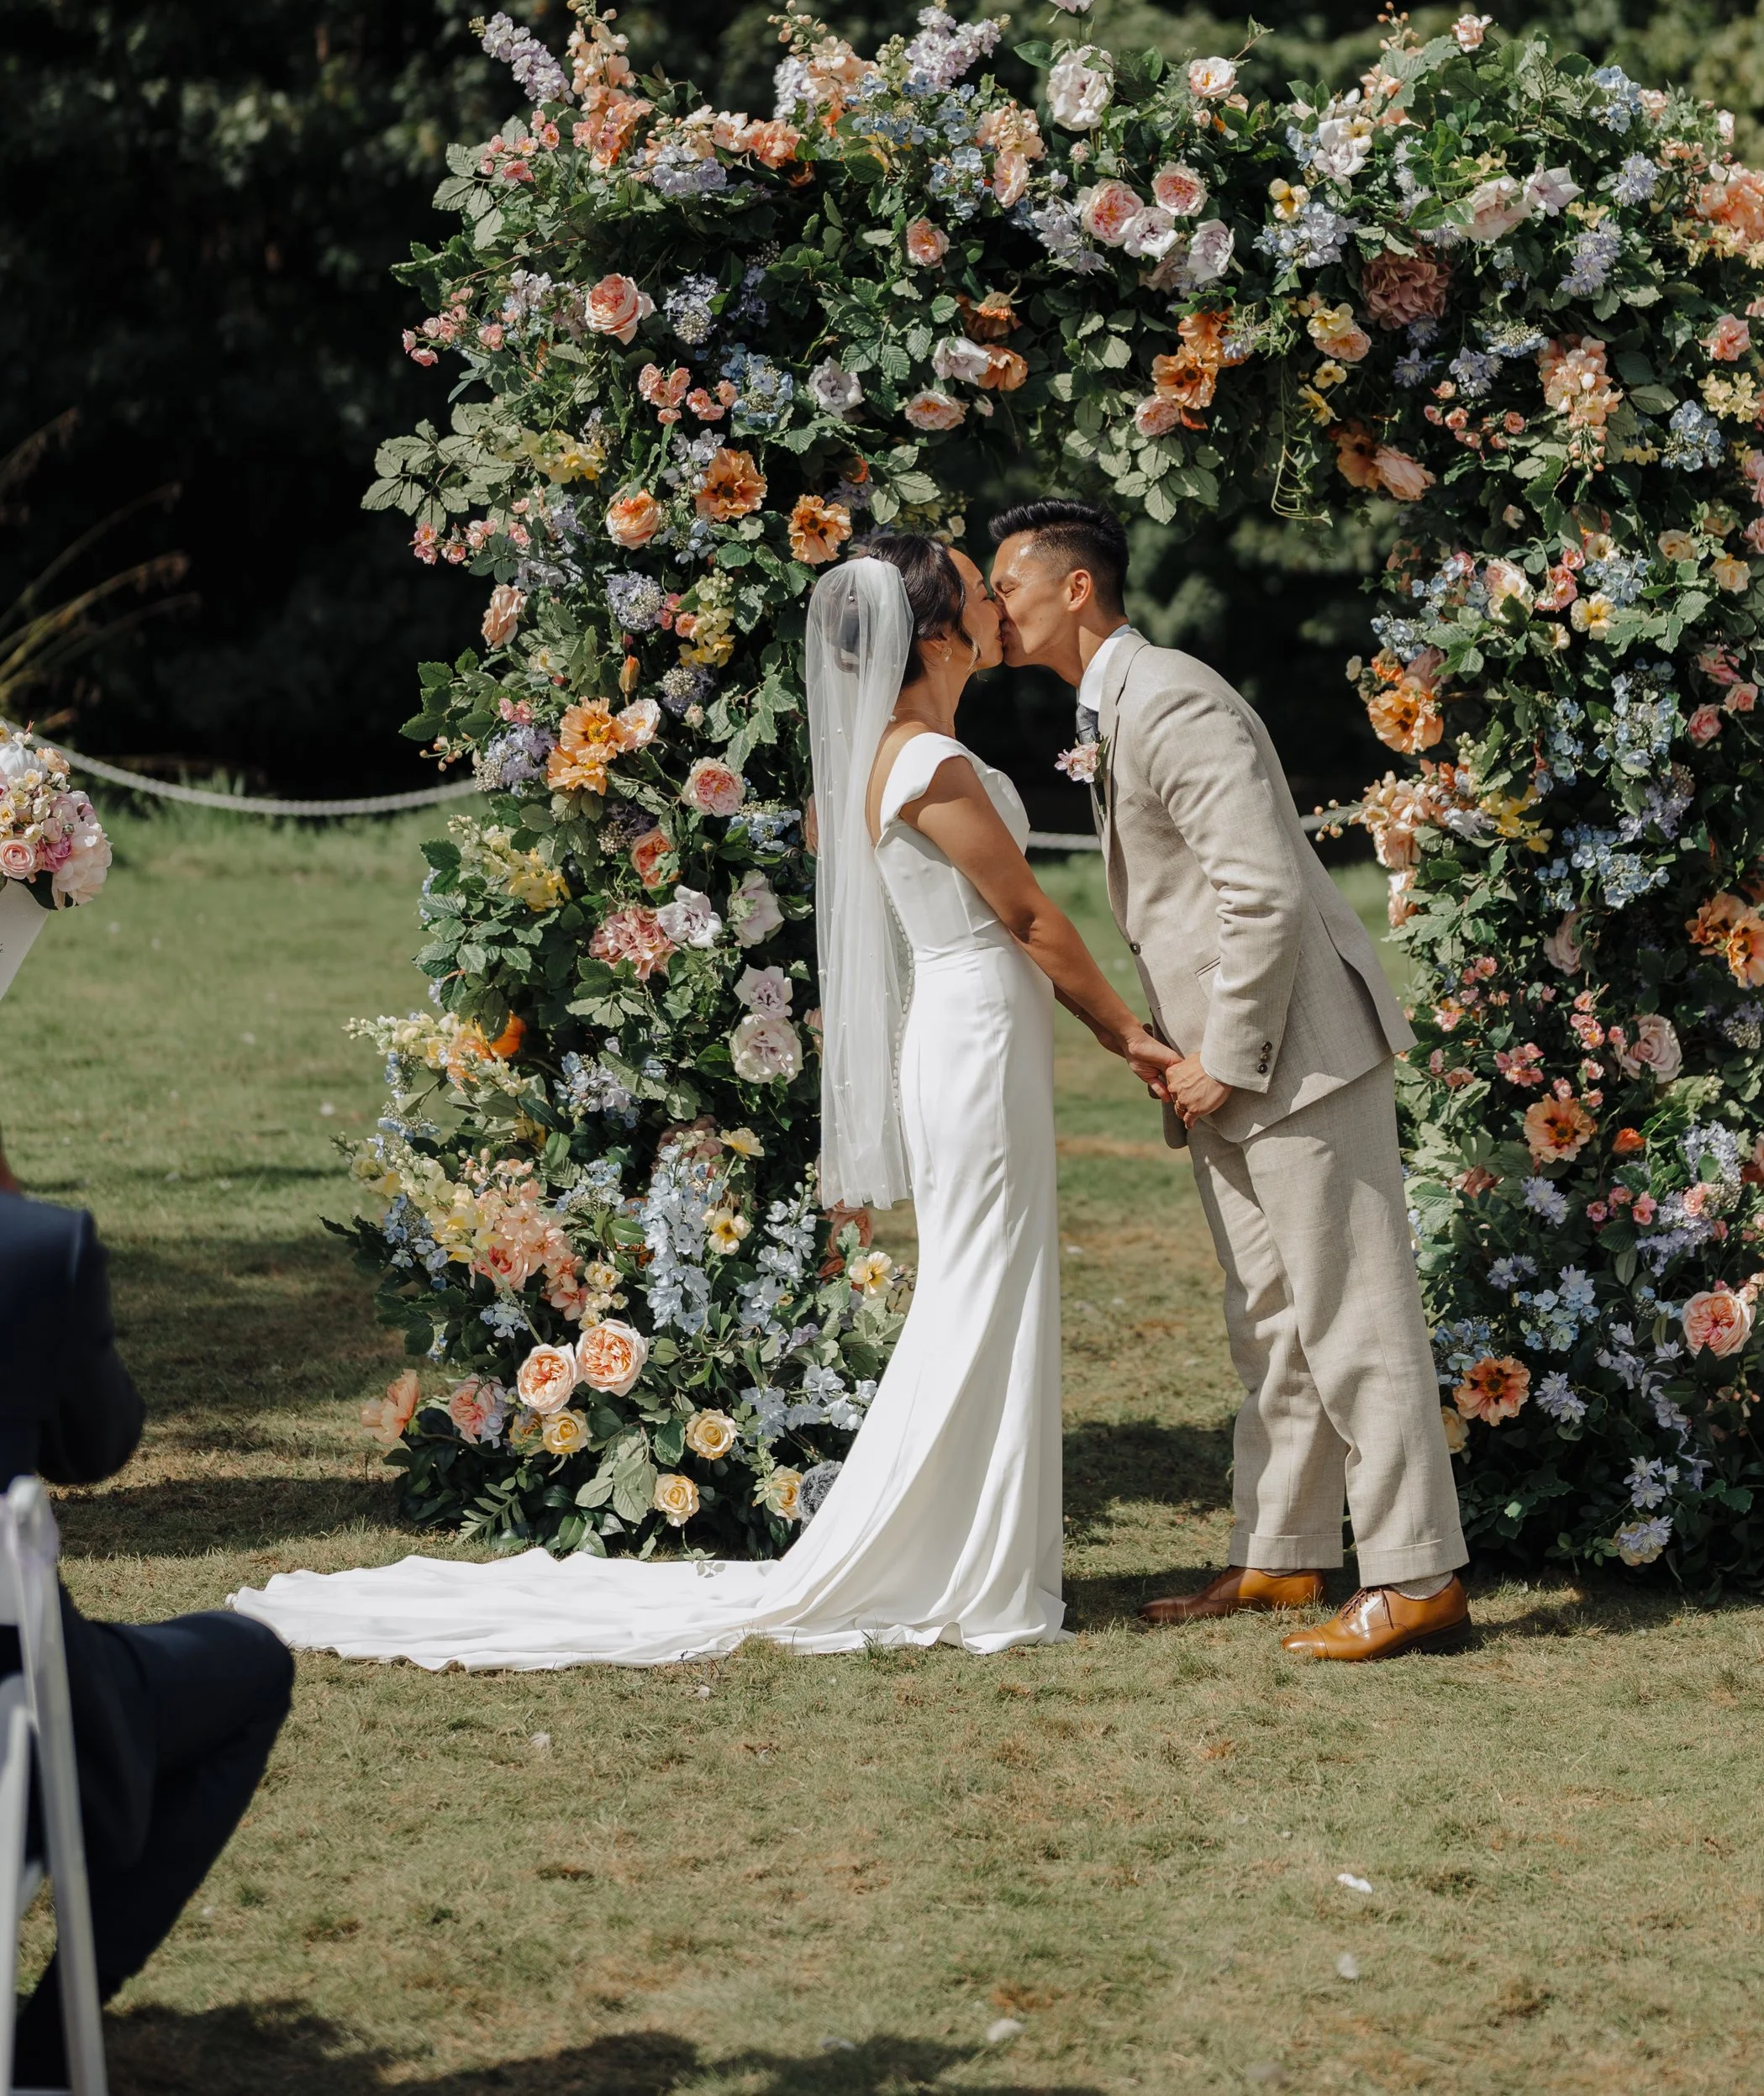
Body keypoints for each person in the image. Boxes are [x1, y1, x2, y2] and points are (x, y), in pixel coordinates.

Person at [234, 538, 1164, 1669]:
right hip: (973, 1032)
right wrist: (1134, 1038)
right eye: (977, 588)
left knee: (988, 1283)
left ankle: (976, 1544)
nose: (994, 601)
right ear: (935, 630)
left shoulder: (887, 756)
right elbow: (1028, 921)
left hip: (965, 1035)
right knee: (984, 1285)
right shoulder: (931, 765)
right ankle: (961, 1555)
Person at [989, 497, 1470, 1662]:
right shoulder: (1114, 705)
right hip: (1222, 1063)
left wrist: (1228, 1058)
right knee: (1270, 1317)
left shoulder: (1174, 695)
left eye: (1007, 583)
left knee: (1354, 1313)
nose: (992, 607)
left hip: (1291, 1053)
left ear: (1077, 589)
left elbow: (1260, 890)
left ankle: (1417, 1575)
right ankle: (1285, 1550)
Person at [0, 1182, 295, 2085]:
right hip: (16, 1729)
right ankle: (49, 2045)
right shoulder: (35, 1250)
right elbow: (98, 1442)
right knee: (250, 1663)